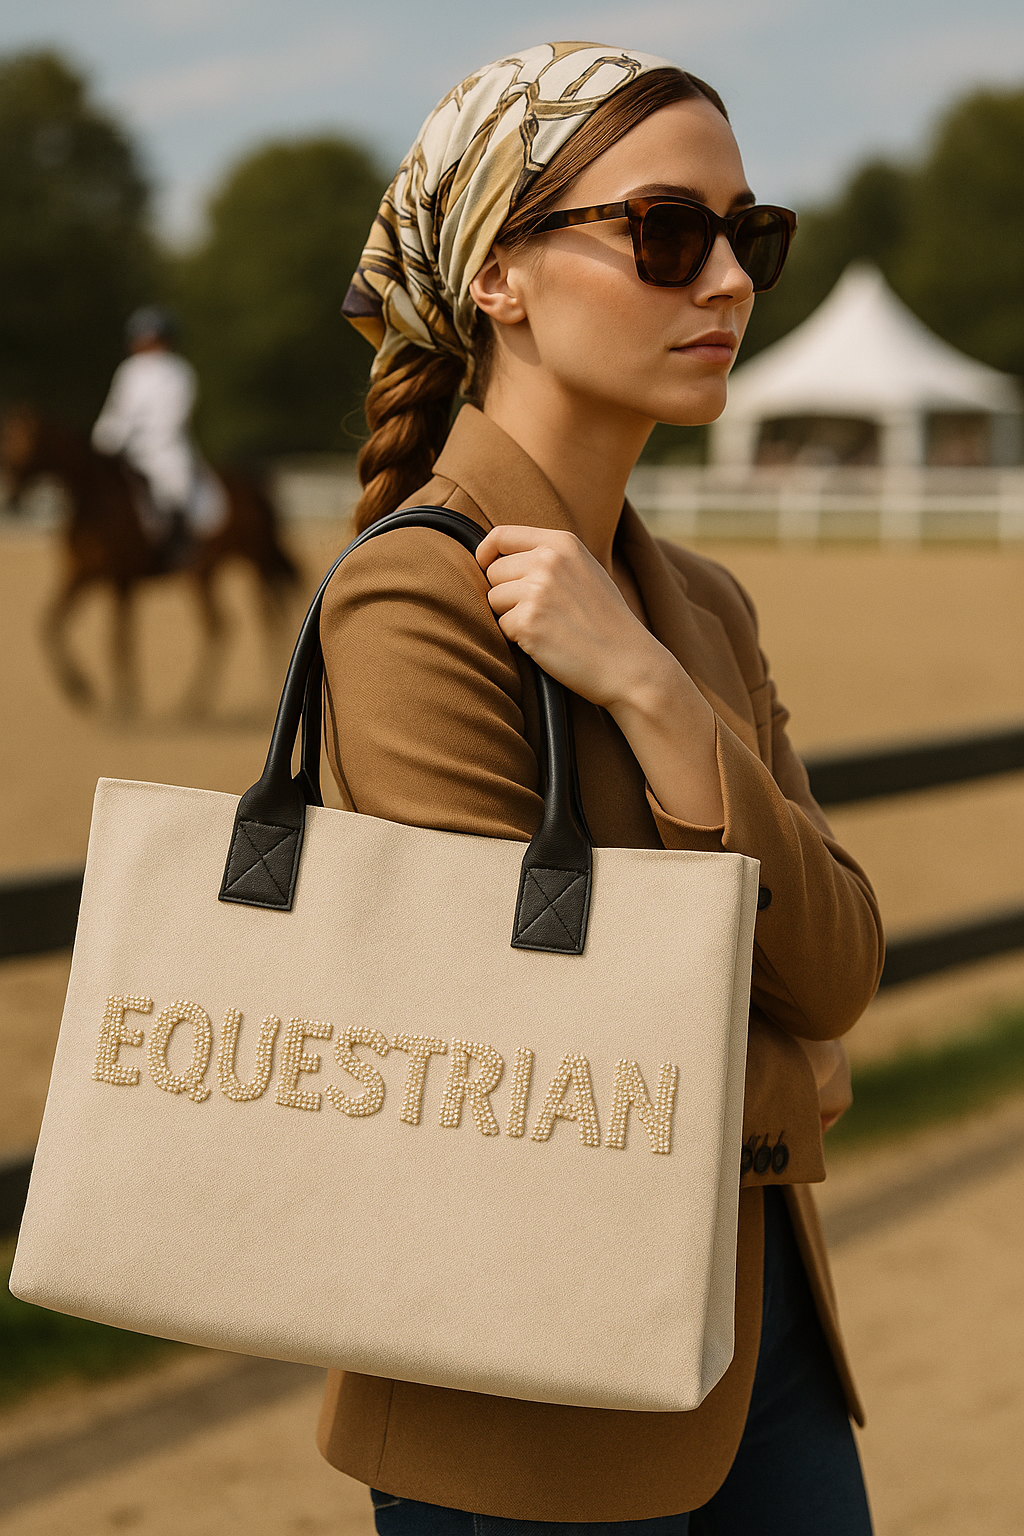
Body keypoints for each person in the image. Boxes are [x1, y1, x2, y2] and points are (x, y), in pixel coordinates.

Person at [317, 43, 883, 1535]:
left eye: (746, 236)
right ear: (499, 273)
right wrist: (795, 1093)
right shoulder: (409, 602)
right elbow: (532, 1061)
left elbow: (838, 965)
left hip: (764, 1345)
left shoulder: (700, 610)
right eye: (666, 231)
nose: (729, 284)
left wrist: (652, 691)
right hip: (519, 1382)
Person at [91, 306, 226, 562]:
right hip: (125, 449)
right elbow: (115, 412)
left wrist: (142, 442)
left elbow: (173, 417)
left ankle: (179, 545)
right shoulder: (128, 371)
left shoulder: (179, 372)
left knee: (175, 488)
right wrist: (103, 442)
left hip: (165, 449)